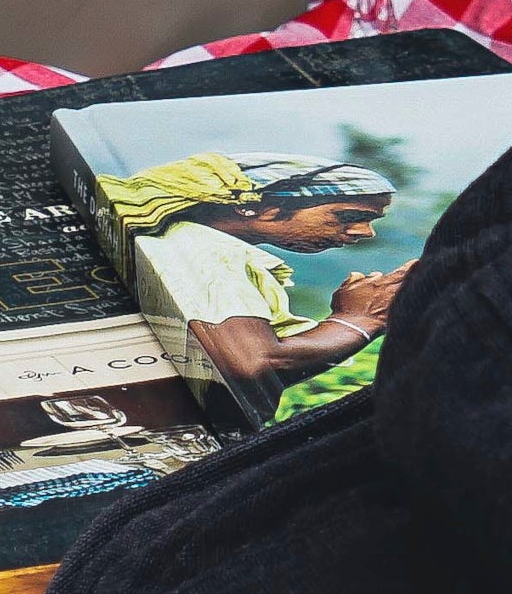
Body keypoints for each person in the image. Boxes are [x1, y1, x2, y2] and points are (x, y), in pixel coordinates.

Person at [98, 154, 407, 412]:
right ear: (256, 207)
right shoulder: (208, 252)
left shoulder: (188, 243)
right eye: (347, 215)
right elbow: (252, 365)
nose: (365, 232)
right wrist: (358, 319)